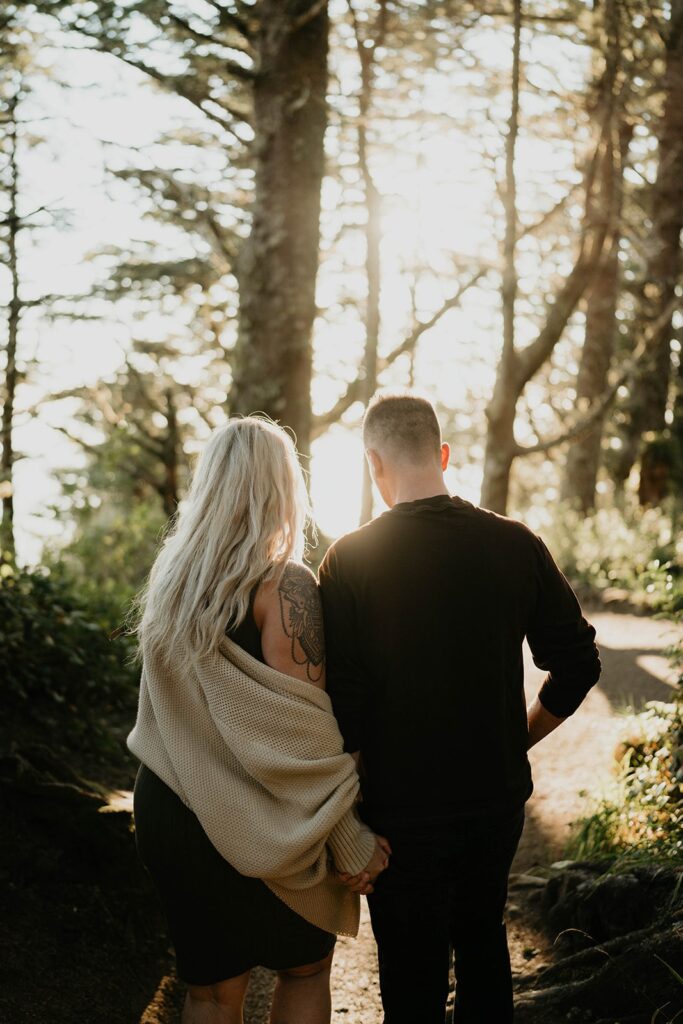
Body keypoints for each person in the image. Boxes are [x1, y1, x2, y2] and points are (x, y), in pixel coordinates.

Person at [319, 392, 602, 1024]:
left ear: (373, 464)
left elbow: (346, 705)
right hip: (493, 797)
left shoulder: (349, 559)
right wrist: (519, 738)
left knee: (411, 978)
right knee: (482, 946)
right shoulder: (515, 543)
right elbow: (579, 662)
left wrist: (346, 811)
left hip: (400, 809)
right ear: (443, 454)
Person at [128, 416, 389, 1024]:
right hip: (266, 819)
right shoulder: (286, 583)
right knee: (304, 970)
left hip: (176, 810)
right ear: (283, 490)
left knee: (210, 992)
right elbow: (303, 736)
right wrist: (350, 837)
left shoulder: (170, 582)